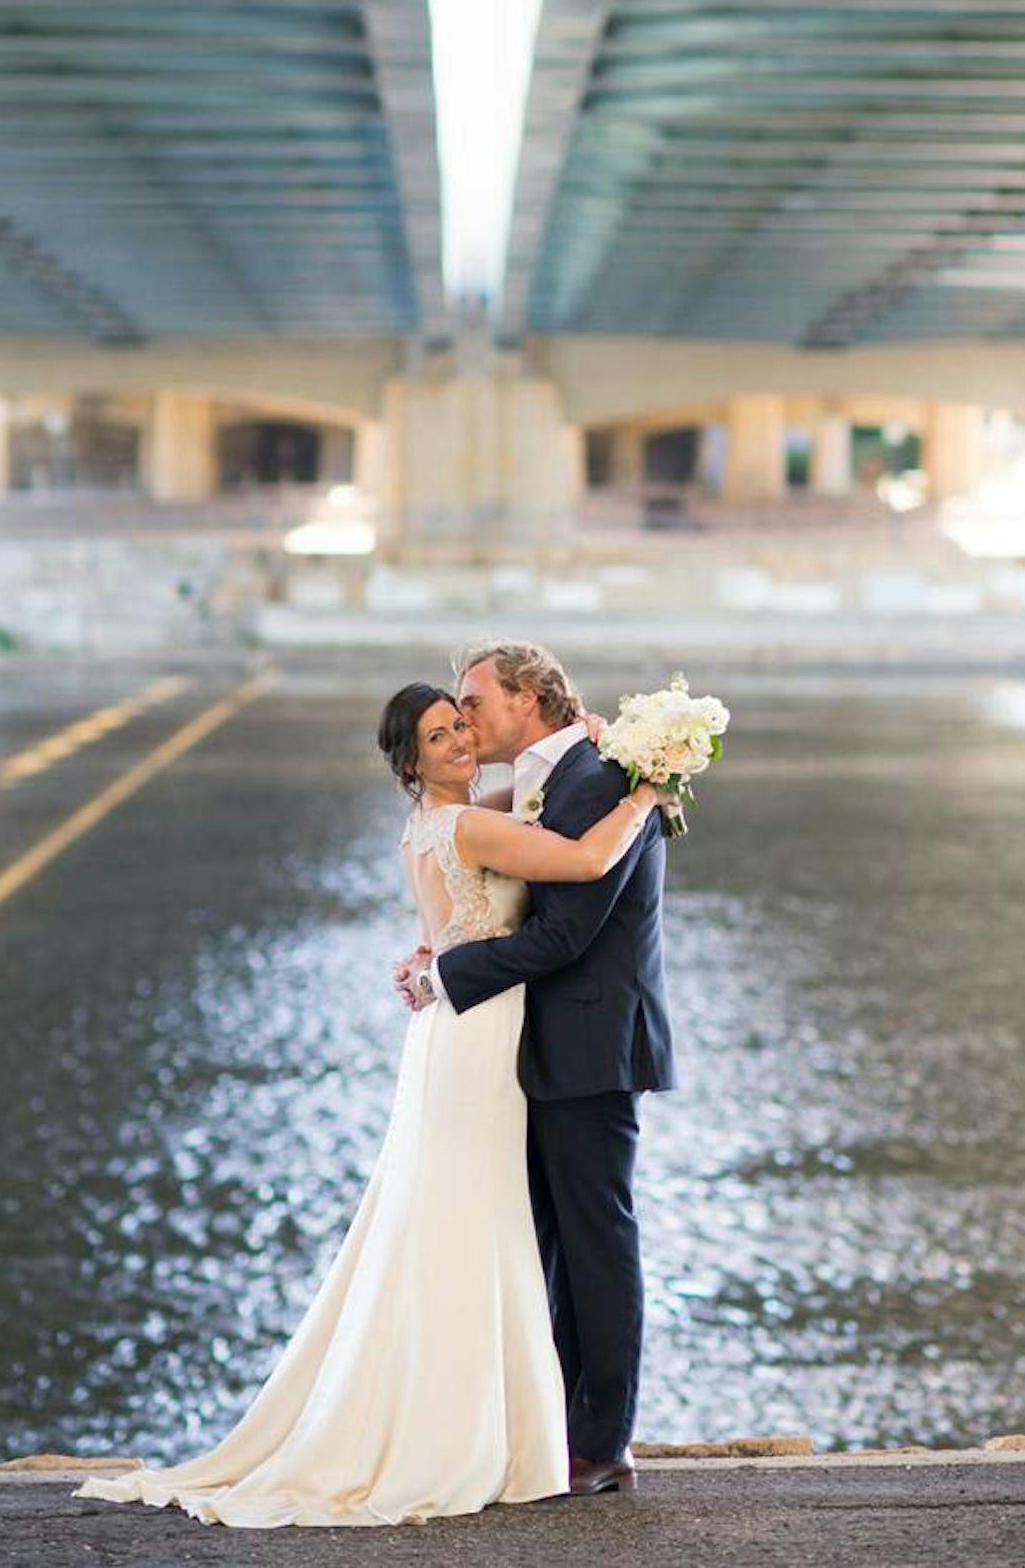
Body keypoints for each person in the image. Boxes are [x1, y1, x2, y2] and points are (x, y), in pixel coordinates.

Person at [70, 670, 668, 1529]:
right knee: (476, 1225)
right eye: (439, 735)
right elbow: (577, 857)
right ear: (410, 762)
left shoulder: (460, 813)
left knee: (480, 1223)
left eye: (463, 722)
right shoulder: (464, 822)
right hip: (473, 1040)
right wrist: (649, 791)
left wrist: (597, 742)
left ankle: (501, 1423)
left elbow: (532, 802)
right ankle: (479, 1429)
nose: (461, 739)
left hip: (475, 1034)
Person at [395, 640, 676, 1496]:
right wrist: (441, 945)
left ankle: (604, 1443)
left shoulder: (597, 780)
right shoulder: (553, 776)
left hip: (591, 1047)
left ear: (529, 699)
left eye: (474, 702)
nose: (466, 719)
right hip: (527, 1047)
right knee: (544, 1244)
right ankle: (550, 1426)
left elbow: (567, 933)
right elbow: (487, 879)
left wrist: (444, 975)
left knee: (596, 1241)